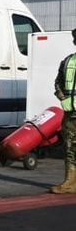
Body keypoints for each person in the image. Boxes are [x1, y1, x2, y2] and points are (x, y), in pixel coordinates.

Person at [50, 27, 76, 194]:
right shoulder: (67, 61)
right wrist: (63, 98)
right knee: (69, 148)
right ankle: (70, 182)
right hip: (70, 113)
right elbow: (58, 82)